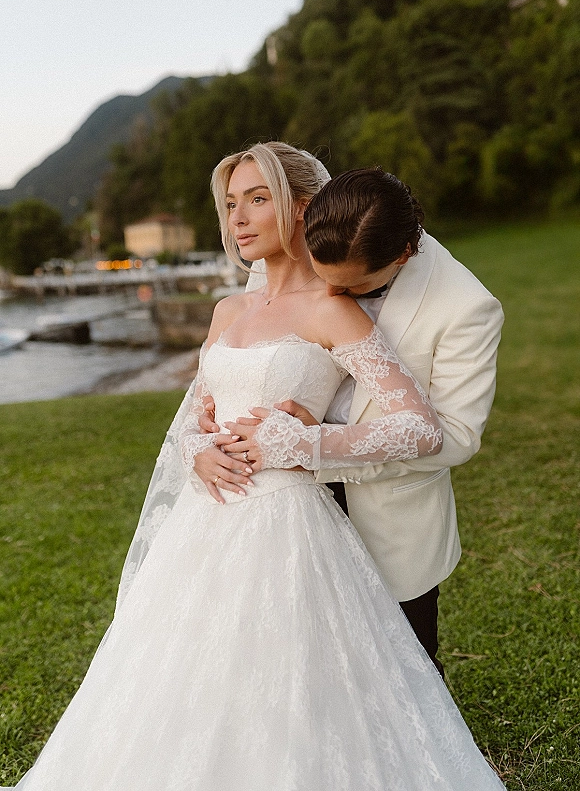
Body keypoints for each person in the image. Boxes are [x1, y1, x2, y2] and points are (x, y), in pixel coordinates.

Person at [2, 143, 505, 790]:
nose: (238, 218)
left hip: (338, 508)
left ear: (302, 210)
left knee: (377, 676)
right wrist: (196, 449)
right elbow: (201, 405)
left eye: (256, 200)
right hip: (211, 517)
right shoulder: (238, 302)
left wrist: (305, 441)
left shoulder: (432, 303)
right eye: (231, 203)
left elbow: (443, 432)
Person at [201, 166, 504, 677]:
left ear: (401, 255)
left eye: (353, 286)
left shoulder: (466, 308)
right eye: (322, 275)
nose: (332, 296)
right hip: (277, 505)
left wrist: (314, 442)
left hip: (386, 508)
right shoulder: (320, 239)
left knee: (403, 666)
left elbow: (456, 436)